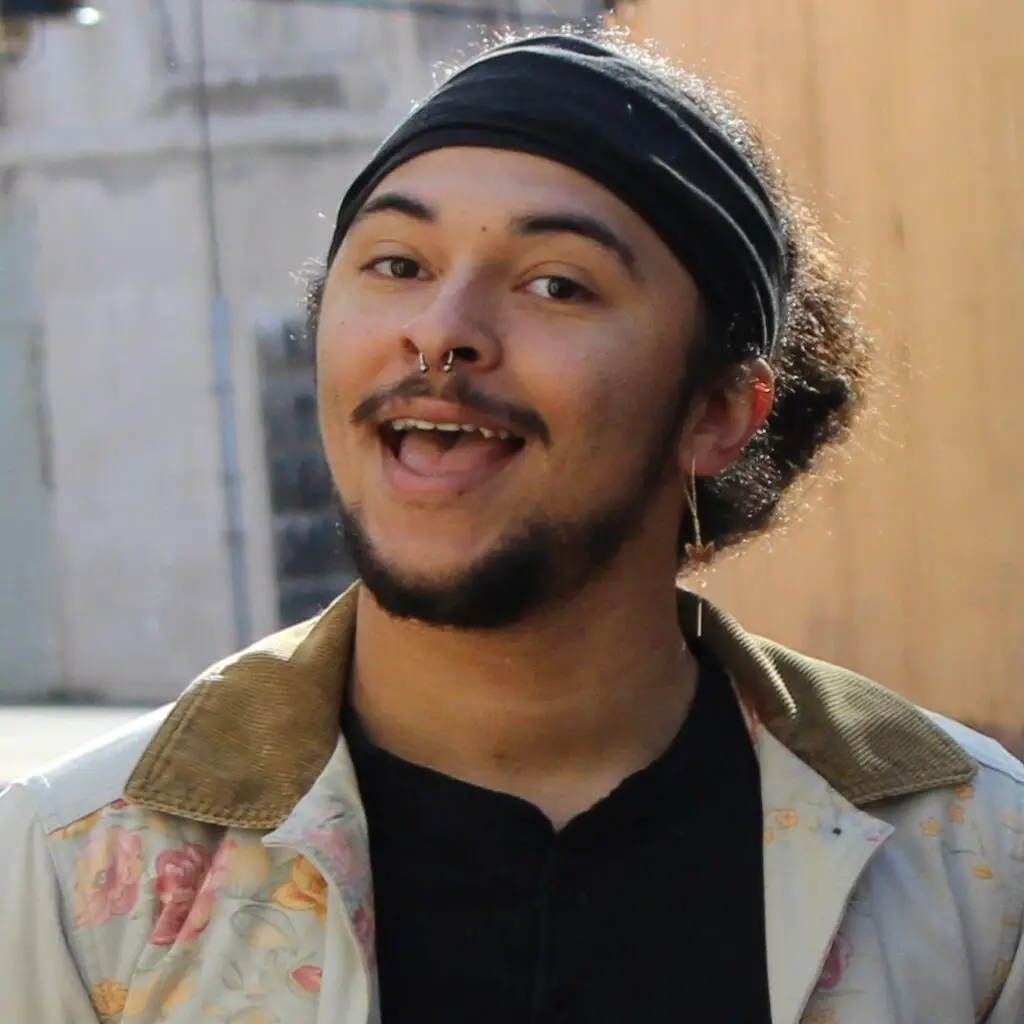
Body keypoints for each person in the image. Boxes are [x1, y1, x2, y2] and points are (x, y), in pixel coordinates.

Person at [1, 28, 1022, 1024]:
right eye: (397, 263)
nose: (441, 328)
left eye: (556, 284)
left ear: (717, 412)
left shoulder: (973, 867)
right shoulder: (74, 868)